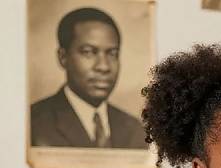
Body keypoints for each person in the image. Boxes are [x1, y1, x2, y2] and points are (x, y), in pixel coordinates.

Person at [30, 7, 147, 149]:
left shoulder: (135, 130)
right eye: (89, 52)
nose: (103, 67)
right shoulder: (32, 124)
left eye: (112, 53)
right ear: (63, 57)